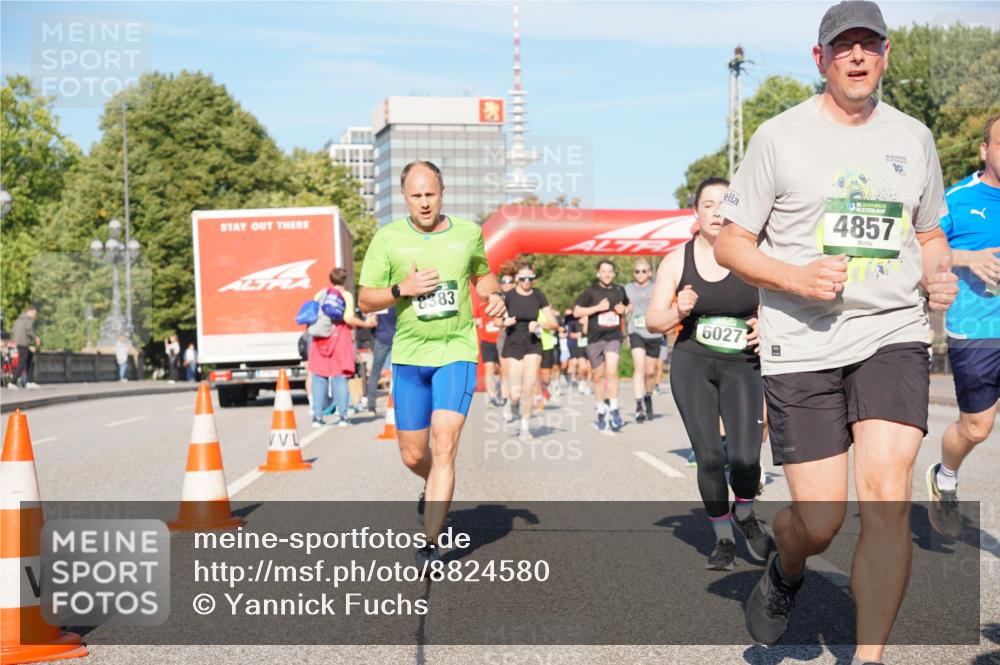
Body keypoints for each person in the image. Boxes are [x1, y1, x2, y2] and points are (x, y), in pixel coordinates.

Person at [712, 2, 958, 659]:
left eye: (868, 45)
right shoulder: (779, 137)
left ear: (885, 55)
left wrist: (938, 274)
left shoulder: (913, 138)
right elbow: (731, 243)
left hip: (891, 331)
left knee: (885, 496)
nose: (857, 56)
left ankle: (869, 656)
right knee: (818, 520)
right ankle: (786, 565)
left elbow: (931, 233)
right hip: (804, 341)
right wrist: (794, 278)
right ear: (819, 59)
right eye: (842, 45)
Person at [358, 160, 506, 565]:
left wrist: (493, 295)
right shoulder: (387, 239)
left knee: (445, 444)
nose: (424, 203)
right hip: (409, 358)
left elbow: (483, 275)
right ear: (403, 196)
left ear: (442, 192)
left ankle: (431, 542)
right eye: (416, 195)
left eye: (431, 194)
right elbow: (365, 298)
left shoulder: (467, 233)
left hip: (455, 352)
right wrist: (400, 288)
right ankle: (435, 487)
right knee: (412, 454)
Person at [648, 176, 769, 571]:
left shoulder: (756, 253)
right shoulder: (676, 260)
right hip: (693, 363)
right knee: (710, 458)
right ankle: (722, 540)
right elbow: (653, 320)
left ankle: (745, 512)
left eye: (725, 204)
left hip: (744, 364)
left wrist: (766, 322)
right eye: (708, 205)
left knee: (746, 458)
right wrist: (678, 311)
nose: (717, 212)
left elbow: (782, 298)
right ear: (695, 213)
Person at [927, 111, 1000, 538]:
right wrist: (969, 257)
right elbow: (920, 249)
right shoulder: (957, 199)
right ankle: (946, 475)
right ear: (985, 150)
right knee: (977, 427)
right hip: (976, 331)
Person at [500, 262, 558, 439]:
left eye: (530, 278)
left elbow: (554, 324)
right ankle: (512, 402)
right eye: (523, 278)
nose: (527, 281)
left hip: (533, 343)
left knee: (529, 387)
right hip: (513, 341)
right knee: (515, 392)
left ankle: (525, 427)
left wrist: (540, 324)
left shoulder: (539, 296)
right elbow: (495, 321)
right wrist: (505, 322)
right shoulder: (508, 296)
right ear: (517, 278)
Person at [309, 268, 373, 427]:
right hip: (339, 338)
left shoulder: (321, 293)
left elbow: (313, 313)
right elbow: (349, 318)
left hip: (320, 339)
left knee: (319, 378)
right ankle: (343, 416)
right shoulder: (346, 296)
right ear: (345, 280)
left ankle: (317, 417)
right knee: (340, 378)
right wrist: (365, 323)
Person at [573, 260, 629, 432]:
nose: (607, 274)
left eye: (610, 271)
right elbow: (576, 312)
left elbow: (627, 306)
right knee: (598, 376)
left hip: (613, 336)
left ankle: (614, 408)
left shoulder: (620, 290)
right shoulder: (591, 291)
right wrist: (597, 308)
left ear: (613, 273)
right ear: (598, 273)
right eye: (603, 271)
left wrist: (624, 309)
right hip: (595, 338)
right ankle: (600, 410)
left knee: (612, 370)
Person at [625, 258, 663, 422]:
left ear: (650, 273)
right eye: (637, 271)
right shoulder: (627, 289)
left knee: (650, 372)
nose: (640, 274)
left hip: (653, 333)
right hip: (636, 332)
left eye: (644, 271)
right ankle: (639, 404)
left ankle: (648, 396)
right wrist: (625, 309)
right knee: (639, 368)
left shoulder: (657, 288)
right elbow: (620, 307)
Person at [366, 306, 396, 415]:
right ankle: (401, 404)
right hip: (396, 338)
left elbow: (371, 321)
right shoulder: (398, 302)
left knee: (375, 373)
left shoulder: (380, 303)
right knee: (399, 373)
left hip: (381, 338)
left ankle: (371, 407)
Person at [496, 262, 517, 420]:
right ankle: (507, 402)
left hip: (522, 337)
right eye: (503, 281)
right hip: (505, 336)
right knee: (506, 372)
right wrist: (505, 322)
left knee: (518, 374)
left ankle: (514, 399)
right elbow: (496, 322)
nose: (505, 284)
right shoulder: (500, 299)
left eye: (509, 281)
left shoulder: (522, 296)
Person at [10, 304, 40, 389]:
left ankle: (29, 382)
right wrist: (35, 339)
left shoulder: (19, 319)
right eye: (34, 313)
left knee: (30, 362)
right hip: (25, 344)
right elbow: (30, 332)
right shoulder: (28, 320)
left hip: (20, 343)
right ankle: (12, 382)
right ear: (30, 311)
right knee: (22, 363)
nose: (35, 315)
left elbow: (13, 330)